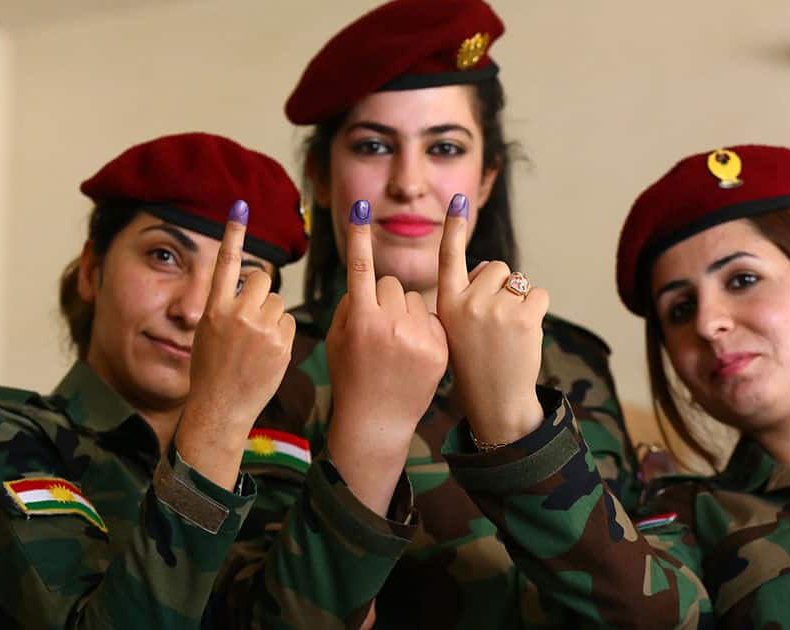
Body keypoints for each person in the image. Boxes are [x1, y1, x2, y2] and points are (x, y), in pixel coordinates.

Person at [438, 144, 790, 628]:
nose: (708, 324)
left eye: (742, 280)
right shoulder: (689, 523)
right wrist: (509, 421)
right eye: (680, 309)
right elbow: (639, 610)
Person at [239, 0, 641, 627]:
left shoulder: (571, 357)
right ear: (320, 176)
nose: (408, 182)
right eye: (374, 145)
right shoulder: (269, 355)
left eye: (445, 147)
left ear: (486, 179)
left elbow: (653, 605)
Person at [0, 131, 325, 627]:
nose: (195, 310)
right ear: (92, 270)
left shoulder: (273, 460)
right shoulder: (1, 437)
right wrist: (217, 420)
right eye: (165, 256)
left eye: (238, 280)